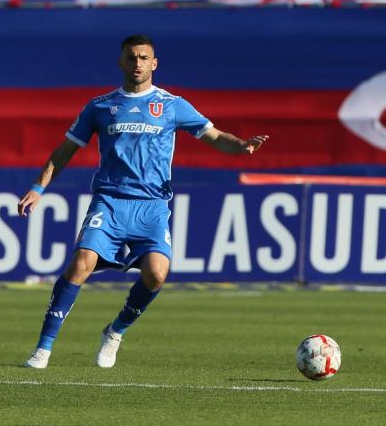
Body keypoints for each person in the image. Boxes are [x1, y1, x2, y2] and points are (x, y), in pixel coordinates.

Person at [19, 35, 268, 369]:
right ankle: (43, 349)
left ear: (155, 63)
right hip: (109, 201)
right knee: (81, 264)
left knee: (156, 273)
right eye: (131, 57)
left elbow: (215, 137)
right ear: (121, 62)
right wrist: (39, 187)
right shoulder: (100, 106)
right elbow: (66, 150)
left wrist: (241, 145)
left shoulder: (172, 105)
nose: (137, 63)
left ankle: (116, 330)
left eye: (144, 57)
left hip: (151, 206)